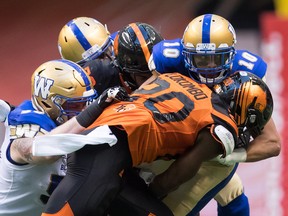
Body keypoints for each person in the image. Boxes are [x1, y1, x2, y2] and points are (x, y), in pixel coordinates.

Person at [36, 69, 273, 216]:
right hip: (107, 152)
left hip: (107, 147)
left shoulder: (176, 77)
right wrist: (153, 192)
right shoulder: (223, 125)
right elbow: (178, 174)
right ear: (245, 108)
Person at [147, 13, 280, 216]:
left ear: (231, 55)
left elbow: (272, 142)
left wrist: (232, 156)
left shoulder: (244, 74)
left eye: (216, 58)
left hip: (212, 148)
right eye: (201, 58)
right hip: (171, 140)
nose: (209, 67)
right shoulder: (168, 60)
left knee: (228, 195)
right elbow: (142, 102)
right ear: (186, 54)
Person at [0, 59, 97, 216]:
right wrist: (90, 113)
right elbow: (43, 151)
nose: (83, 110)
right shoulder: (27, 124)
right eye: (75, 105)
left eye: (86, 104)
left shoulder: (57, 123)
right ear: (49, 103)